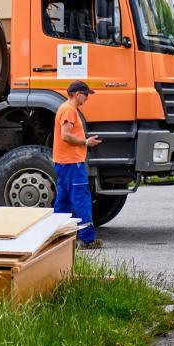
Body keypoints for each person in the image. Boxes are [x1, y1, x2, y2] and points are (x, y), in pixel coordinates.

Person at [53, 80, 103, 249]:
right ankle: (87, 240)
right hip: (73, 163)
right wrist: (86, 142)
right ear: (77, 94)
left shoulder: (64, 108)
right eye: (86, 94)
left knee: (63, 202)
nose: (87, 98)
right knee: (82, 200)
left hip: (63, 162)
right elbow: (65, 136)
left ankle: (56, 237)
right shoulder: (69, 110)